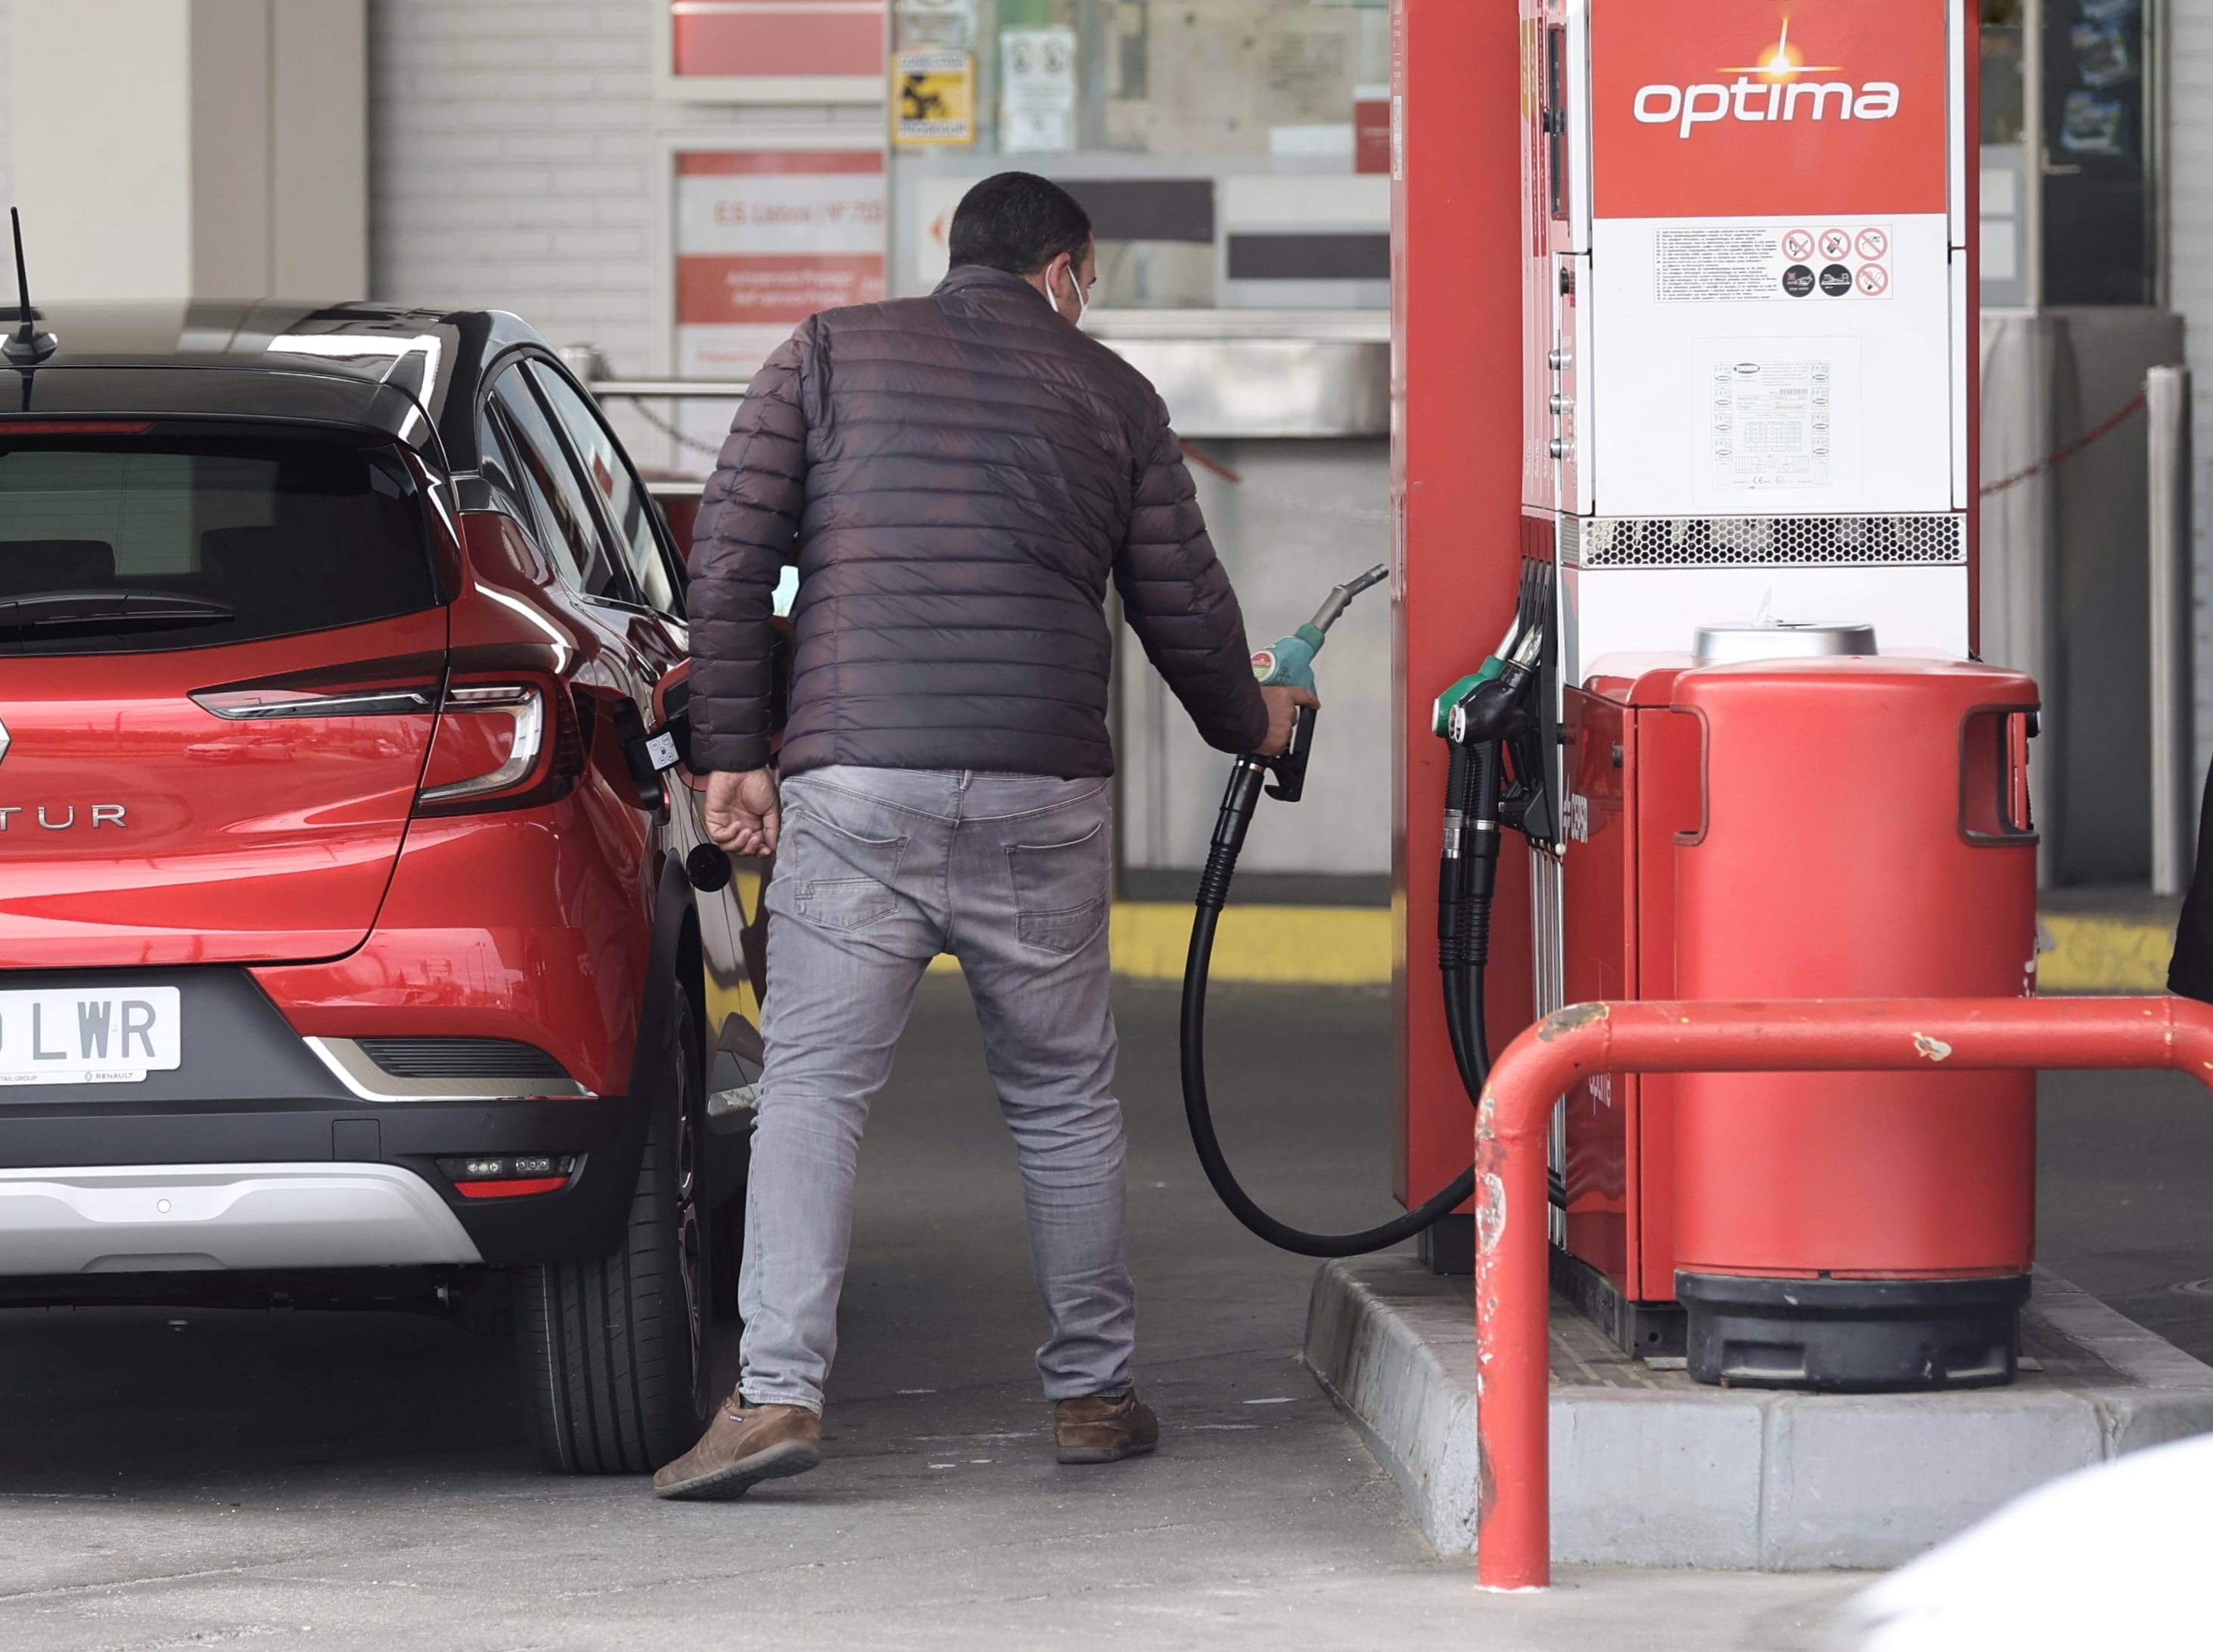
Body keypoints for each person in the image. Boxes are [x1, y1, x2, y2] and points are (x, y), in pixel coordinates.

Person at [654, 172, 1314, 1500]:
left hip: (856, 778)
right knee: (1063, 1098)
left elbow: (727, 557)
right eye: (1090, 279)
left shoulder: (828, 351)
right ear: (1065, 270)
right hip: (1039, 785)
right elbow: (1180, 602)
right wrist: (1256, 722)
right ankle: (1090, 1394)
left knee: (814, 1093)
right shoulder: (1113, 394)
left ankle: (776, 1394)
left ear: (950, 256)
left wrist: (730, 751)